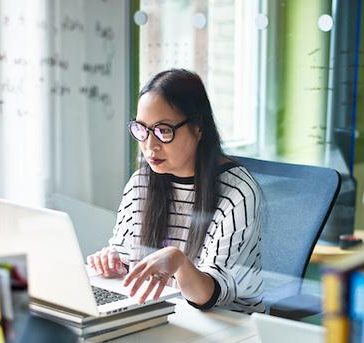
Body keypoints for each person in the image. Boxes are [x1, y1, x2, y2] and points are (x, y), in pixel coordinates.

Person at [87, 69, 265, 313]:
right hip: (165, 315)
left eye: (163, 130)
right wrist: (116, 263)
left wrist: (179, 262)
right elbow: (126, 255)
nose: (150, 146)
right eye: (142, 129)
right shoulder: (141, 183)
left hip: (228, 326)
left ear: (198, 126)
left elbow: (210, 296)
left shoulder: (237, 192)